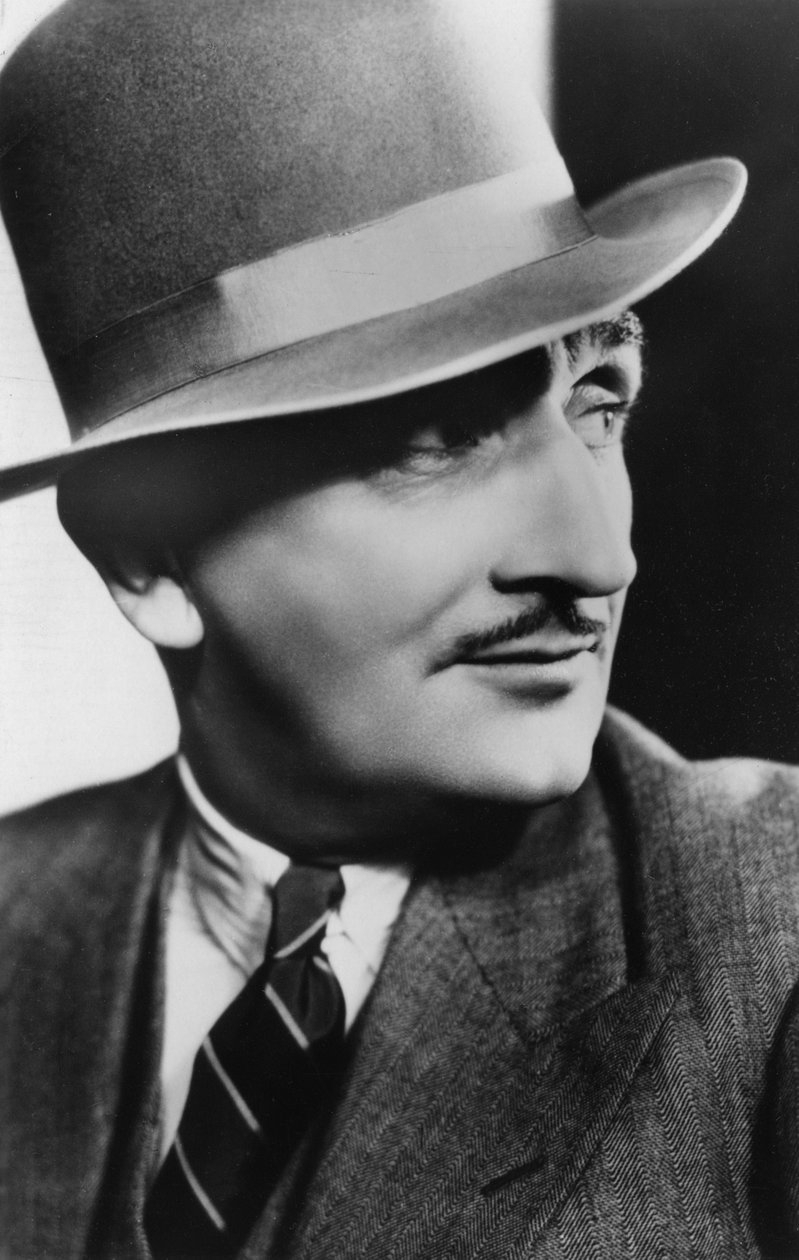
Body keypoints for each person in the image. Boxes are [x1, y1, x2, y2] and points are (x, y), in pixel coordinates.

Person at [0, 0, 797, 1257]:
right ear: (147, 556)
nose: (600, 559)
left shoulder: (774, 935)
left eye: (599, 401)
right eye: (438, 437)